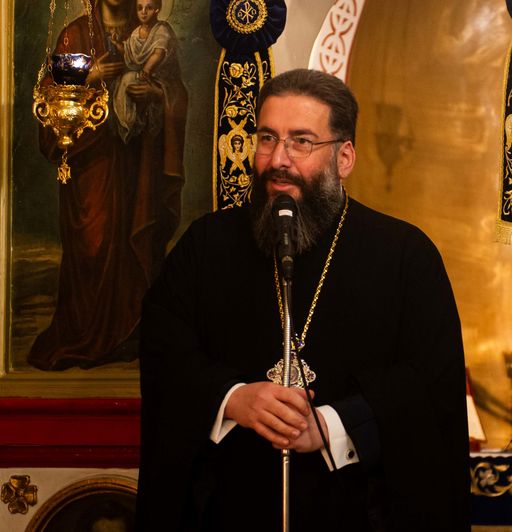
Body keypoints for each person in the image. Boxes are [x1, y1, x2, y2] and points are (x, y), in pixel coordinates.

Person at [136, 69, 470, 530]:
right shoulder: (206, 245)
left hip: (356, 514)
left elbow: (429, 388)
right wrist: (233, 398)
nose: (279, 159)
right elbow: (163, 349)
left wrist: (332, 425)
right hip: (233, 508)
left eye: (301, 142)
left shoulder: (405, 257)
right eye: (267, 138)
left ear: (344, 157)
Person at [29, 0, 187, 370]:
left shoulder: (151, 31)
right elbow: (49, 90)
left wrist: (159, 96)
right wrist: (90, 74)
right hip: (91, 163)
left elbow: (177, 92)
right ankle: (85, 332)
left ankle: (131, 333)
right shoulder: (76, 35)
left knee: (138, 239)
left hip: (138, 163)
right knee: (94, 242)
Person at [111, 0, 183, 144]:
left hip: (157, 78)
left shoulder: (161, 29)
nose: (143, 12)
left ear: (157, 9)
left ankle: (133, 125)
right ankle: (128, 124)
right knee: (124, 85)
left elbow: (158, 53)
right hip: (141, 78)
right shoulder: (135, 33)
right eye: (140, 8)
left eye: (148, 8)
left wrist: (146, 70)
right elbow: (129, 52)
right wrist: (117, 45)